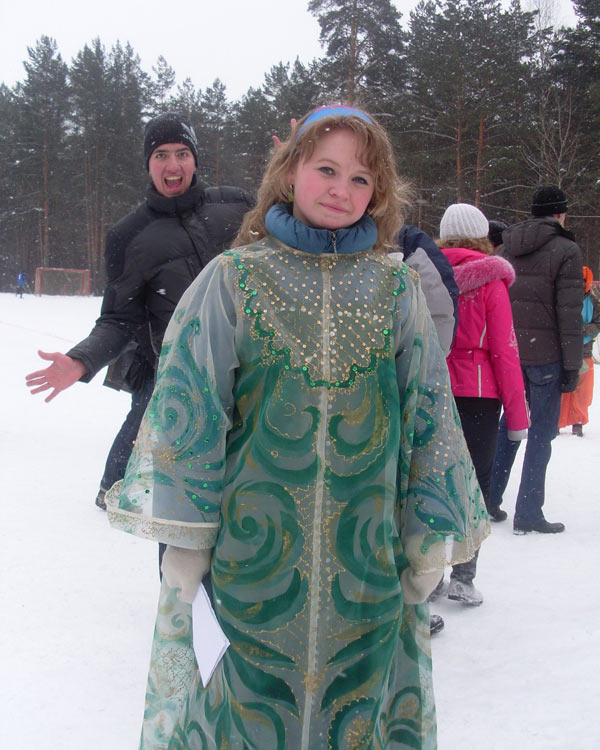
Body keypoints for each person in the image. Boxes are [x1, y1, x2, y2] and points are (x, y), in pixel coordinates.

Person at [106, 105, 488, 749]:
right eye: (327, 169)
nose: (342, 189)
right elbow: (191, 406)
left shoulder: (395, 289)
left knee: (355, 712)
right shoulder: (236, 279)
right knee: (246, 711)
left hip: (365, 559)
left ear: (381, 193)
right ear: (290, 174)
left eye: (362, 179)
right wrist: (189, 537)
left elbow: (429, 411)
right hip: (252, 559)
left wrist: (429, 531)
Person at [25, 113, 253, 511]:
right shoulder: (128, 235)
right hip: (175, 367)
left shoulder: (236, 204)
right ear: (148, 164)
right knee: (145, 421)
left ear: (195, 158)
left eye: (182, 153)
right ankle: (112, 487)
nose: (173, 165)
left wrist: (294, 167)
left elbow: (288, 230)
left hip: (248, 358)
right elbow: (117, 319)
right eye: (161, 155)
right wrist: (81, 361)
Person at [432, 203, 528, 607]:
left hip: (433, 388)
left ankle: (429, 573)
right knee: (473, 486)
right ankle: (464, 576)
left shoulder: (426, 273)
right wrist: (518, 416)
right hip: (479, 396)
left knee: (432, 480)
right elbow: (505, 350)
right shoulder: (491, 281)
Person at [489, 185, 584, 534]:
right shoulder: (567, 250)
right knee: (541, 434)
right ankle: (528, 511)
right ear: (560, 213)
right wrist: (573, 366)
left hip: (512, 353)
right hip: (546, 357)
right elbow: (569, 314)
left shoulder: (509, 245)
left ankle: (489, 497)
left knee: (509, 426)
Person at [558, 266, 600, 436]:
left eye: (583, 280)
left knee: (583, 390)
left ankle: (578, 421)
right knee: (560, 387)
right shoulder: (561, 297)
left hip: (584, 351)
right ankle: (557, 421)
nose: (580, 283)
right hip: (563, 349)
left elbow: (598, 324)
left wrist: (580, 329)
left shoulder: (594, 301)